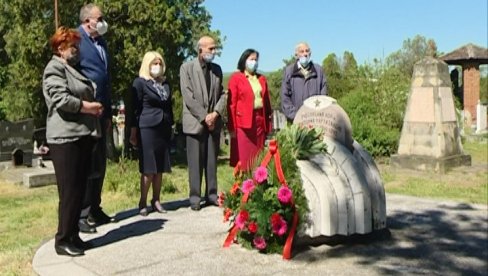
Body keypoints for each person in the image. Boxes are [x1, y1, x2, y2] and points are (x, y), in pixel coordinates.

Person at [43, 26, 103, 256]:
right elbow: (61, 99)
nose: (77, 51)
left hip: (80, 135)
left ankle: (73, 235)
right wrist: (88, 107)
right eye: (73, 47)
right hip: (65, 138)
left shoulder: (71, 68)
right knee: (69, 191)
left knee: (79, 189)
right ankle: (62, 240)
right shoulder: (54, 69)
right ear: (60, 48)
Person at [77, 3, 113, 232]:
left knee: (100, 161)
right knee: (85, 163)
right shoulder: (76, 40)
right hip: (85, 113)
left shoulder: (101, 42)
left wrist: (108, 112)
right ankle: (81, 213)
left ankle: (95, 208)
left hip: (101, 112)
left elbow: (105, 79)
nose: (102, 22)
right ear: (87, 21)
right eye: (99, 18)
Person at [179, 36, 226, 211]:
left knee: (212, 162)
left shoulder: (217, 70)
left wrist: (215, 114)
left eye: (214, 49)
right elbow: (188, 96)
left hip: (213, 122)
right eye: (211, 49)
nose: (214, 52)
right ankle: (195, 197)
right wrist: (204, 117)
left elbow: (222, 93)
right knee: (195, 162)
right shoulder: (187, 68)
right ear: (200, 49)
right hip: (195, 123)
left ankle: (212, 195)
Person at [129, 51, 173, 216]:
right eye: (154, 63)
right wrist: (133, 132)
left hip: (163, 127)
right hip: (146, 127)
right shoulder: (140, 83)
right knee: (149, 167)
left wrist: (172, 125)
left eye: (159, 63)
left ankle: (156, 200)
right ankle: (142, 201)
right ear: (147, 65)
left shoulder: (165, 84)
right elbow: (134, 109)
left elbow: (169, 106)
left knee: (160, 167)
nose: (157, 67)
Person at [227, 49, 272, 171]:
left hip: (259, 122)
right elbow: (231, 104)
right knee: (245, 159)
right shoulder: (236, 78)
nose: (254, 62)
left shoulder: (262, 79)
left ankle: (258, 184)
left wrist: (268, 123)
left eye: (256, 60)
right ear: (244, 61)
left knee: (259, 158)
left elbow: (267, 102)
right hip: (244, 124)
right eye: (251, 59)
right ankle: (244, 186)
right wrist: (232, 127)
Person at [281, 42, 327, 121]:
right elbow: (285, 97)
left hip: (315, 119)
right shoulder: (289, 71)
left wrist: (318, 114)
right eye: (302, 51)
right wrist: (296, 116)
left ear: (310, 53)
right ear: (296, 55)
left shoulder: (318, 70)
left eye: (307, 51)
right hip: (295, 121)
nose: (305, 54)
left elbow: (324, 95)